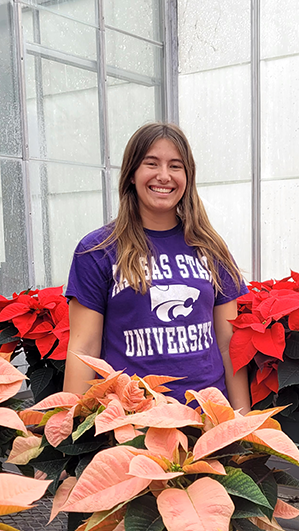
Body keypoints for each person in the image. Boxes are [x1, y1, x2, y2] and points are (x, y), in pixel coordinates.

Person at [63, 122, 251, 412]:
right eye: (151, 163)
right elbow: (84, 348)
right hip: (133, 421)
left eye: (175, 166)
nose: (164, 176)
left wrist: (242, 419)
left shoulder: (212, 248)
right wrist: (70, 425)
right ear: (132, 175)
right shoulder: (98, 250)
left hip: (207, 417)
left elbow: (228, 346)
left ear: (187, 177)